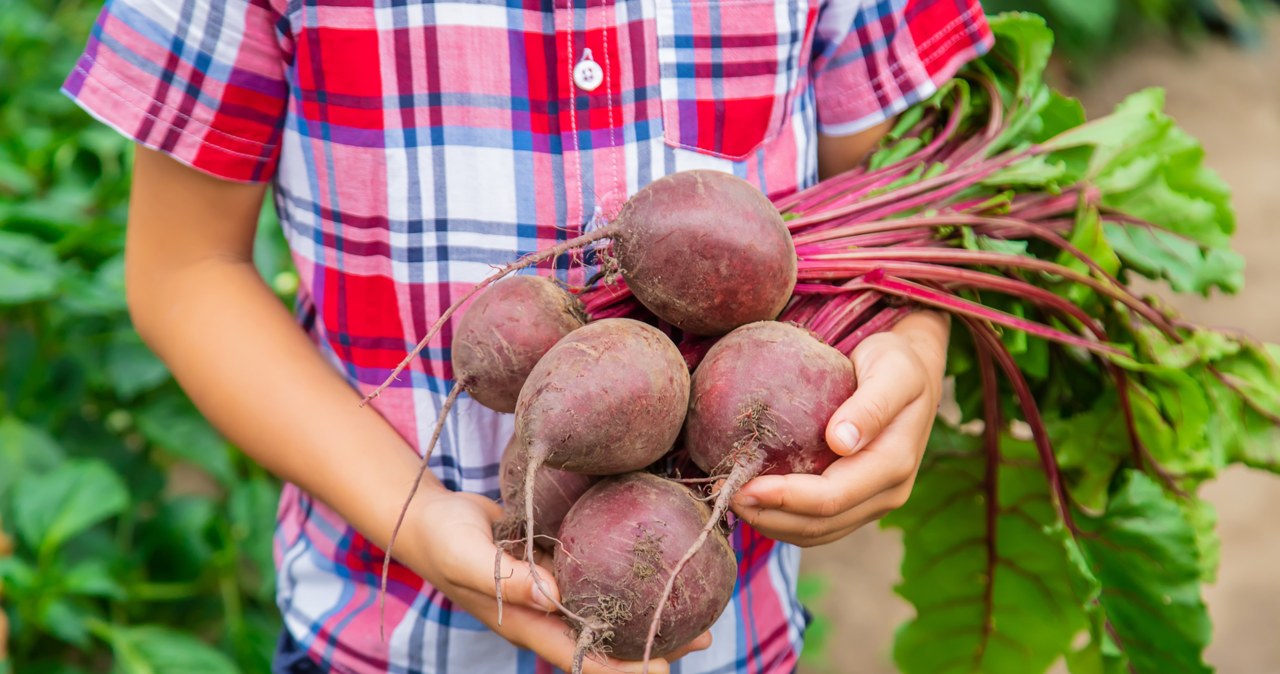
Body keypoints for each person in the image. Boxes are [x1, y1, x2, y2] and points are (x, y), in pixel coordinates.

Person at [64, 0, 990, 671]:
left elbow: (903, 179)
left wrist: (912, 341)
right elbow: (187, 270)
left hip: (730, 637)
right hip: (378, 633)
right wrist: (416, 518)